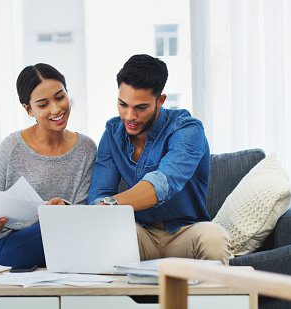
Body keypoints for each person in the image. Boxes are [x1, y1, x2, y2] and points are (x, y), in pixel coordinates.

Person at [87, 54, 230, 265]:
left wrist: (110, 205)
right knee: (107, 235)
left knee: (214, 238)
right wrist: (98, 207)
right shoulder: (112, 133)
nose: (129, 116)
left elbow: (162, 184)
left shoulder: (187, 129)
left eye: (140, 107)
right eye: (123, 104)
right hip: (139, 233)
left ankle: (215, 299)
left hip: (185, 232)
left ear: (160, 101)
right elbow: (99, 195)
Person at [0, 63, 97, 268]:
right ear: (28, 109)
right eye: (43, 104)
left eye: (60, 97)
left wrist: (66, 208)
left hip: (63, 241)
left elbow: (85, 211)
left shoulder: (86, 148)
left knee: (69, 227)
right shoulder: (12, 146)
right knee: (54, 228)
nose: (56, 109)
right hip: (2, 249)